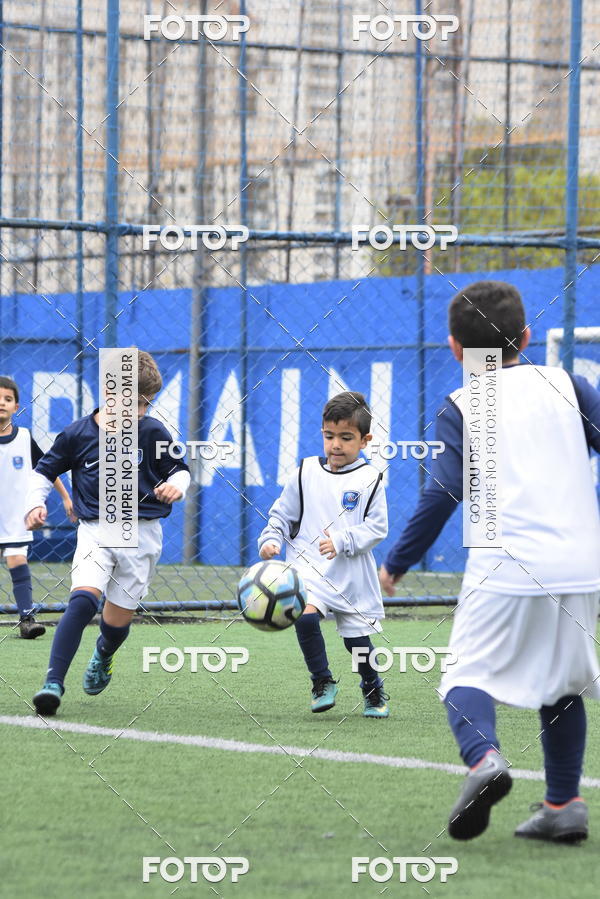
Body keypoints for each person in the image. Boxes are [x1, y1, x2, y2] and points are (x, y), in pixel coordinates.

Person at [380, 280, 600, 843]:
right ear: (526, 338)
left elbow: (441, 493)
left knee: (466, 674)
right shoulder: (569, 385)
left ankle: (483, 761)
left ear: (455, 349)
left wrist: (396, 566)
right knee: (564, 682)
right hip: (581, 563)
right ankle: (564, 805)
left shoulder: (461, 403)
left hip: (506, 561)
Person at [26, 351, 190, 716]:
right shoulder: (77, 433)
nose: (142, 411)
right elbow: (43, 471)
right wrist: (35, 503)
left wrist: (177, 485)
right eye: (135, 402)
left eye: (147, 403)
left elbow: (180, 468)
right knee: (83, 601)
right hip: (96, 530)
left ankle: (104, 653)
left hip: (142, 534)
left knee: (116, 623)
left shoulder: (152, 431)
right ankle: (53, 683)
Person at [259, 391, 389, 717]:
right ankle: (322, 680)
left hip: (351, 574)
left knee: (357, 644)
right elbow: (281, 515)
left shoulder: (371, 479)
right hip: (308, 567)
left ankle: (372, 688)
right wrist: (271, 539)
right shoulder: (305, 472)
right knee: (304, 616)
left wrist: (343, 540)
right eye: (329, 436)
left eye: (346, 438)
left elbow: (377, 528)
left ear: (364, 440)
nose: (336, 445)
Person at [0, 375, 74, 638]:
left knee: (17, 561)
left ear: (16, 407)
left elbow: (48, 469)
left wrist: (66, 498)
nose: (2, 403)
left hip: (14, 517)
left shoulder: (24, 438)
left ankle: (26, 619)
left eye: (7, 399)